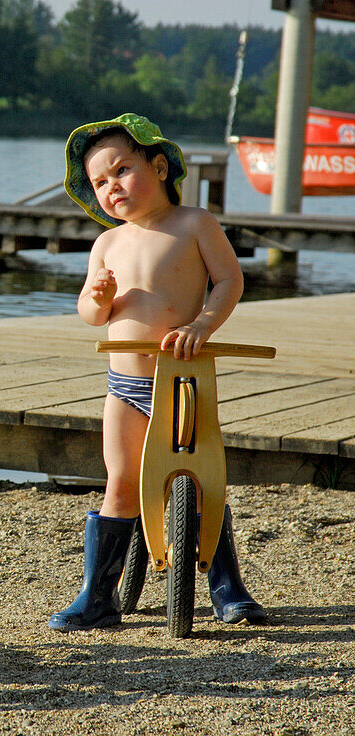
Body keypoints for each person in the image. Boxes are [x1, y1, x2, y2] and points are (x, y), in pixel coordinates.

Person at [48, 113, 265, 631]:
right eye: (100, 182)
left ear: (160, 166)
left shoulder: (194, 224)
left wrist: (204, 324)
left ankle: (226, 587)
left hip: (181, 382)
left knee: (199, 479)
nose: (111, 187)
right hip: (123, 388)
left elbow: (229, 280)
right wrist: (96, 299)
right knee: (120, 482)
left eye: (121, 170)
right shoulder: (108, 243)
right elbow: (89, 312)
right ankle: (97, 597)